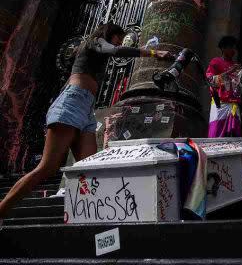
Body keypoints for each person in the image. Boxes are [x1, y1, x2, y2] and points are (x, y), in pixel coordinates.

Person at [0, 23, 172, 220]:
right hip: (72, 103)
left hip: (86, 109)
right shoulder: (95, 42)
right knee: (47, 168)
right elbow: (112, 49)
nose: (119, 41)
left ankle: (88, 219)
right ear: (110, 34)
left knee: (90, 169)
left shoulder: (94, 56)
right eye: (119, 37)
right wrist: (151, 53)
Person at [205, 36, 242, 138]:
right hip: (220, 103)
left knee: (234, 135)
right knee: (216, 132)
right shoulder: (215, 62)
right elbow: (210, 80)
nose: (233, 50)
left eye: (234, 48)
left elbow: (239, 87)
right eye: (230, 47)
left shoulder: (235, 65)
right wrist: (229, 72)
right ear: (223, 48)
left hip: (234, 104)